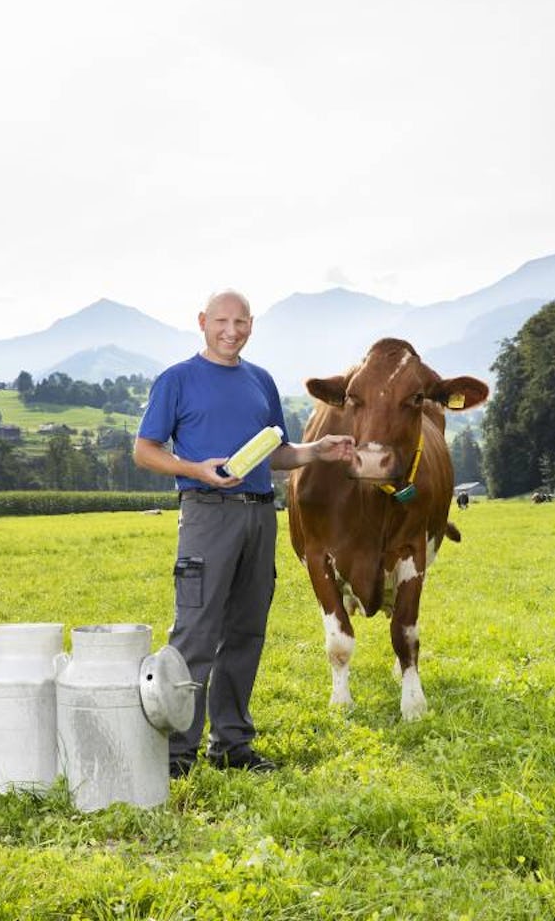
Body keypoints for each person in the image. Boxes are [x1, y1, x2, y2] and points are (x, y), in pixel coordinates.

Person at [133, 290, 354, 777]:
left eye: (240, 322)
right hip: (207, 511)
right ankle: (176, 754)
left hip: (259, 515)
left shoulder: (261, 382)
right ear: (202, 322)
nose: (230, 330)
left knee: (246, 631)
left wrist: (317, 449)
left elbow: (276, 453)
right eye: (221, 321)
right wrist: (195, 468)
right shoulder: (178, 380)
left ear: (251, 325)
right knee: (195, 631)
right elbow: (144, 450)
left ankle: (231, 745)